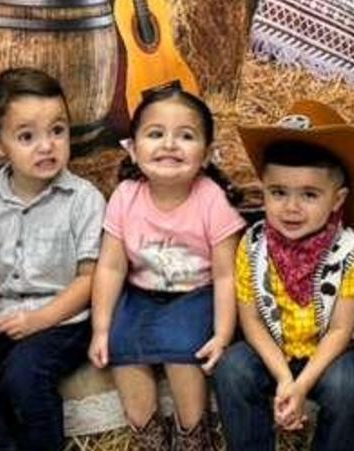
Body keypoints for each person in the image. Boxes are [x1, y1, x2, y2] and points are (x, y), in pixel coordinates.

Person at [0, 68, 105, 451]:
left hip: (64, 319)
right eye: (27, 137)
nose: (47, 146)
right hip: (8, 314)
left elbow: (89, 278)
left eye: (57, 131)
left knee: (24, 374)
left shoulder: (84, 199)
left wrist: (38, 320)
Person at [214, 101, 354, 451]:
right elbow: (252, 322)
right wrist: (283, 378)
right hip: (274, 349)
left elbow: (340, 331)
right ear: (263, 190)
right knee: (233, 370)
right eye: (278, 193)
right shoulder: (252, 245)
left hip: (330, 351)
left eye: (309, 194)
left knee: (346, 388)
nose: (291, 208)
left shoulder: (349, 252)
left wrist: (301, 385)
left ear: (337, 200)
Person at [88, 86, 245, 451]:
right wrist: (101, 328)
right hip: (140, 295)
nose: (170, 145)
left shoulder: (213, 201)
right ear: (133, 148)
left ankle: (193, 434)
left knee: (183, 349)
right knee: (121, 347)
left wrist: (223, 334)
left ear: (206, 154)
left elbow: (226, 275)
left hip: (196, 294)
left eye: (186, 136)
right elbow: (110, 267)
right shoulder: (125, 196)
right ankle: (149, 435)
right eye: (155, 134)